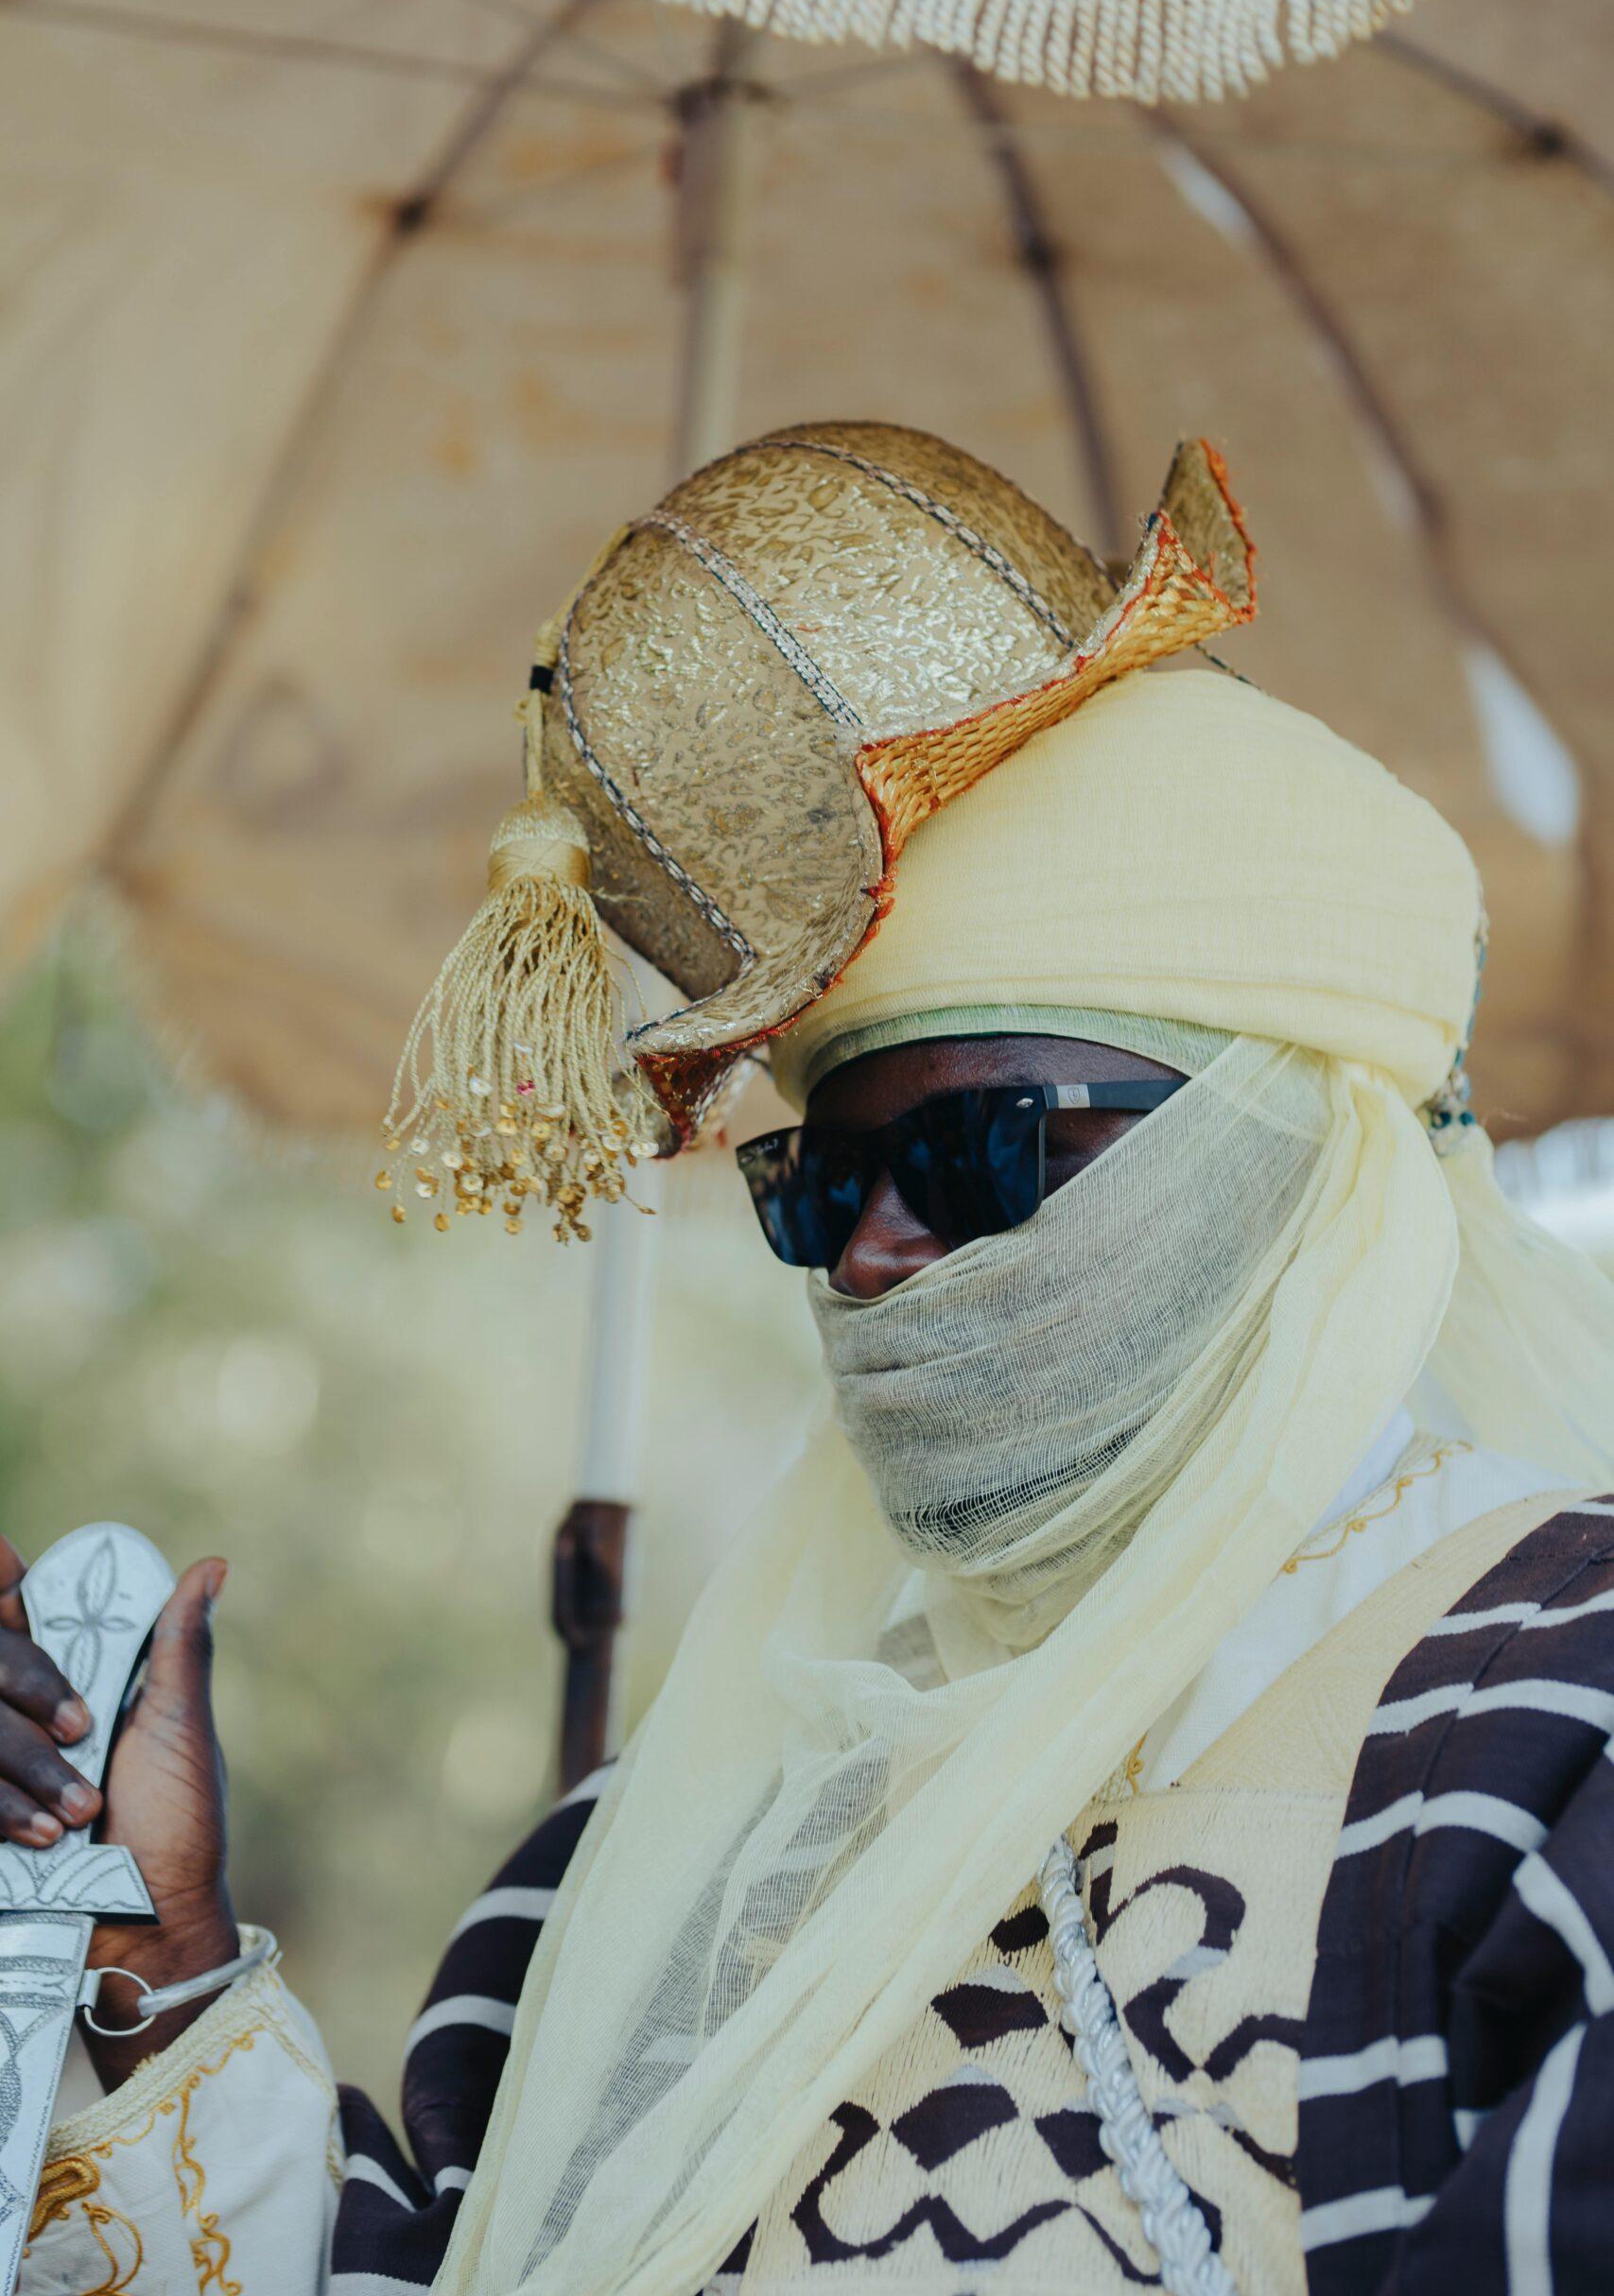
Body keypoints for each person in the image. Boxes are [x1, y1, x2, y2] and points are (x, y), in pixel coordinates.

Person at [8, 423, 1614, 2296]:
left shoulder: (1557, 1718)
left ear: (1292, 1139)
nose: (867, 1249)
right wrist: (144, 1941)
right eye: (817, 1175)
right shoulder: (657, 1847)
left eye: (975, 1150)